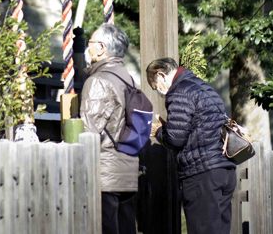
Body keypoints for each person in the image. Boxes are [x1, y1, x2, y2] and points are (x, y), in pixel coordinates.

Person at [146, 57, 237, 234]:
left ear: (161, 75)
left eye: (156, 87)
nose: (159, 92)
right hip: (224, 170)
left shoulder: (179, 91)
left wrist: (158, 131)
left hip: (202, 174)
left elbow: (176, 138)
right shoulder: (204, 88)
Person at [81, 23, 140, 234]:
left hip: (105, 172)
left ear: (102, 48)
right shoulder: (129, 79)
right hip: (129, 169)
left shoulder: (98, 81)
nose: (88, 48)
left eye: (90, 43)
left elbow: (89, 129)